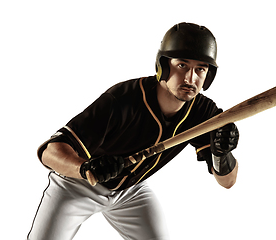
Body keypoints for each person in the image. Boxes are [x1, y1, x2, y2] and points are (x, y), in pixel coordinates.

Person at [27, 22, 239, 240]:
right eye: (182, 65)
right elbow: (50, 152)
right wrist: (86, 168)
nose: (190, 78)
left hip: (131, 191)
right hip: (78, 185)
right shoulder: (123, 99)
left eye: (200, 69)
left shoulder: (203, 112)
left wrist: (221, 154)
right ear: (163, 66)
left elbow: (228, 182)